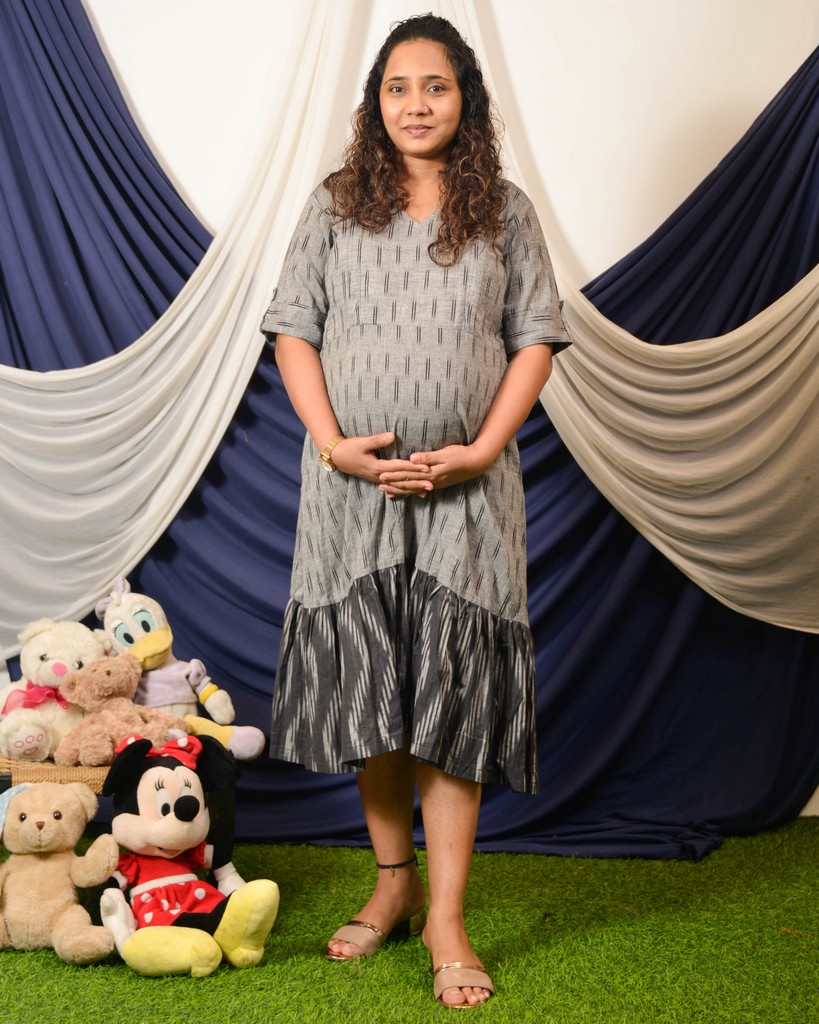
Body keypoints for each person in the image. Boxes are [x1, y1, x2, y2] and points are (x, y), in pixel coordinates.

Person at [261, 13, 571, 1009]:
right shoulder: (333, 203)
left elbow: (534, 340)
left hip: (466, 498)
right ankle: (392, 884)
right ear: (376, 102)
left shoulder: (504, 211)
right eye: (397, 87)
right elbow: (294, 332)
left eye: (435, 85)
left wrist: (477, 450)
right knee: (374, 689)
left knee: (452, 695)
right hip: (350, 493)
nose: (416, 104)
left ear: (464, 98)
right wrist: (332, 443)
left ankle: (446, 914)